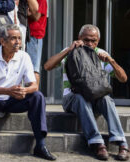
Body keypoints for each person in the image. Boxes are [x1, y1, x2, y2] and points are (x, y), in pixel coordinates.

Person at [44, 24, 129, 161]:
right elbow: (47, 66)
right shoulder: (71, 51)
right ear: (79, 38)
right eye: (86, 40)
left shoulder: (101, 54)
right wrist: (68, 51)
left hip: (95, 99)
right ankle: (97, 143)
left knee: (106, 99)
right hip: (72, 98)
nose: (89, 43)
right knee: (80, 98)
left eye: (93, 40)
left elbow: (123, 78)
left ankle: (122, 143)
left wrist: (111, 61)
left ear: (98, 41)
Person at [0, 24, 56, 161]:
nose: (18, 42)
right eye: (13, 38)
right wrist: (8, 90)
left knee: (37, 96)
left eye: (19, 38)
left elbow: (34, 86)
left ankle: (40, 145)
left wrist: (24, 90)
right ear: (2, 41)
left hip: (12, 100)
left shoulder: (24, 57)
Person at [26, 0, 47, 87]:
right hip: (25, 34)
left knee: (33, 67)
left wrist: (27, 12)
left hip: (35, 36)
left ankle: (34, 97)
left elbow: (36, 17)